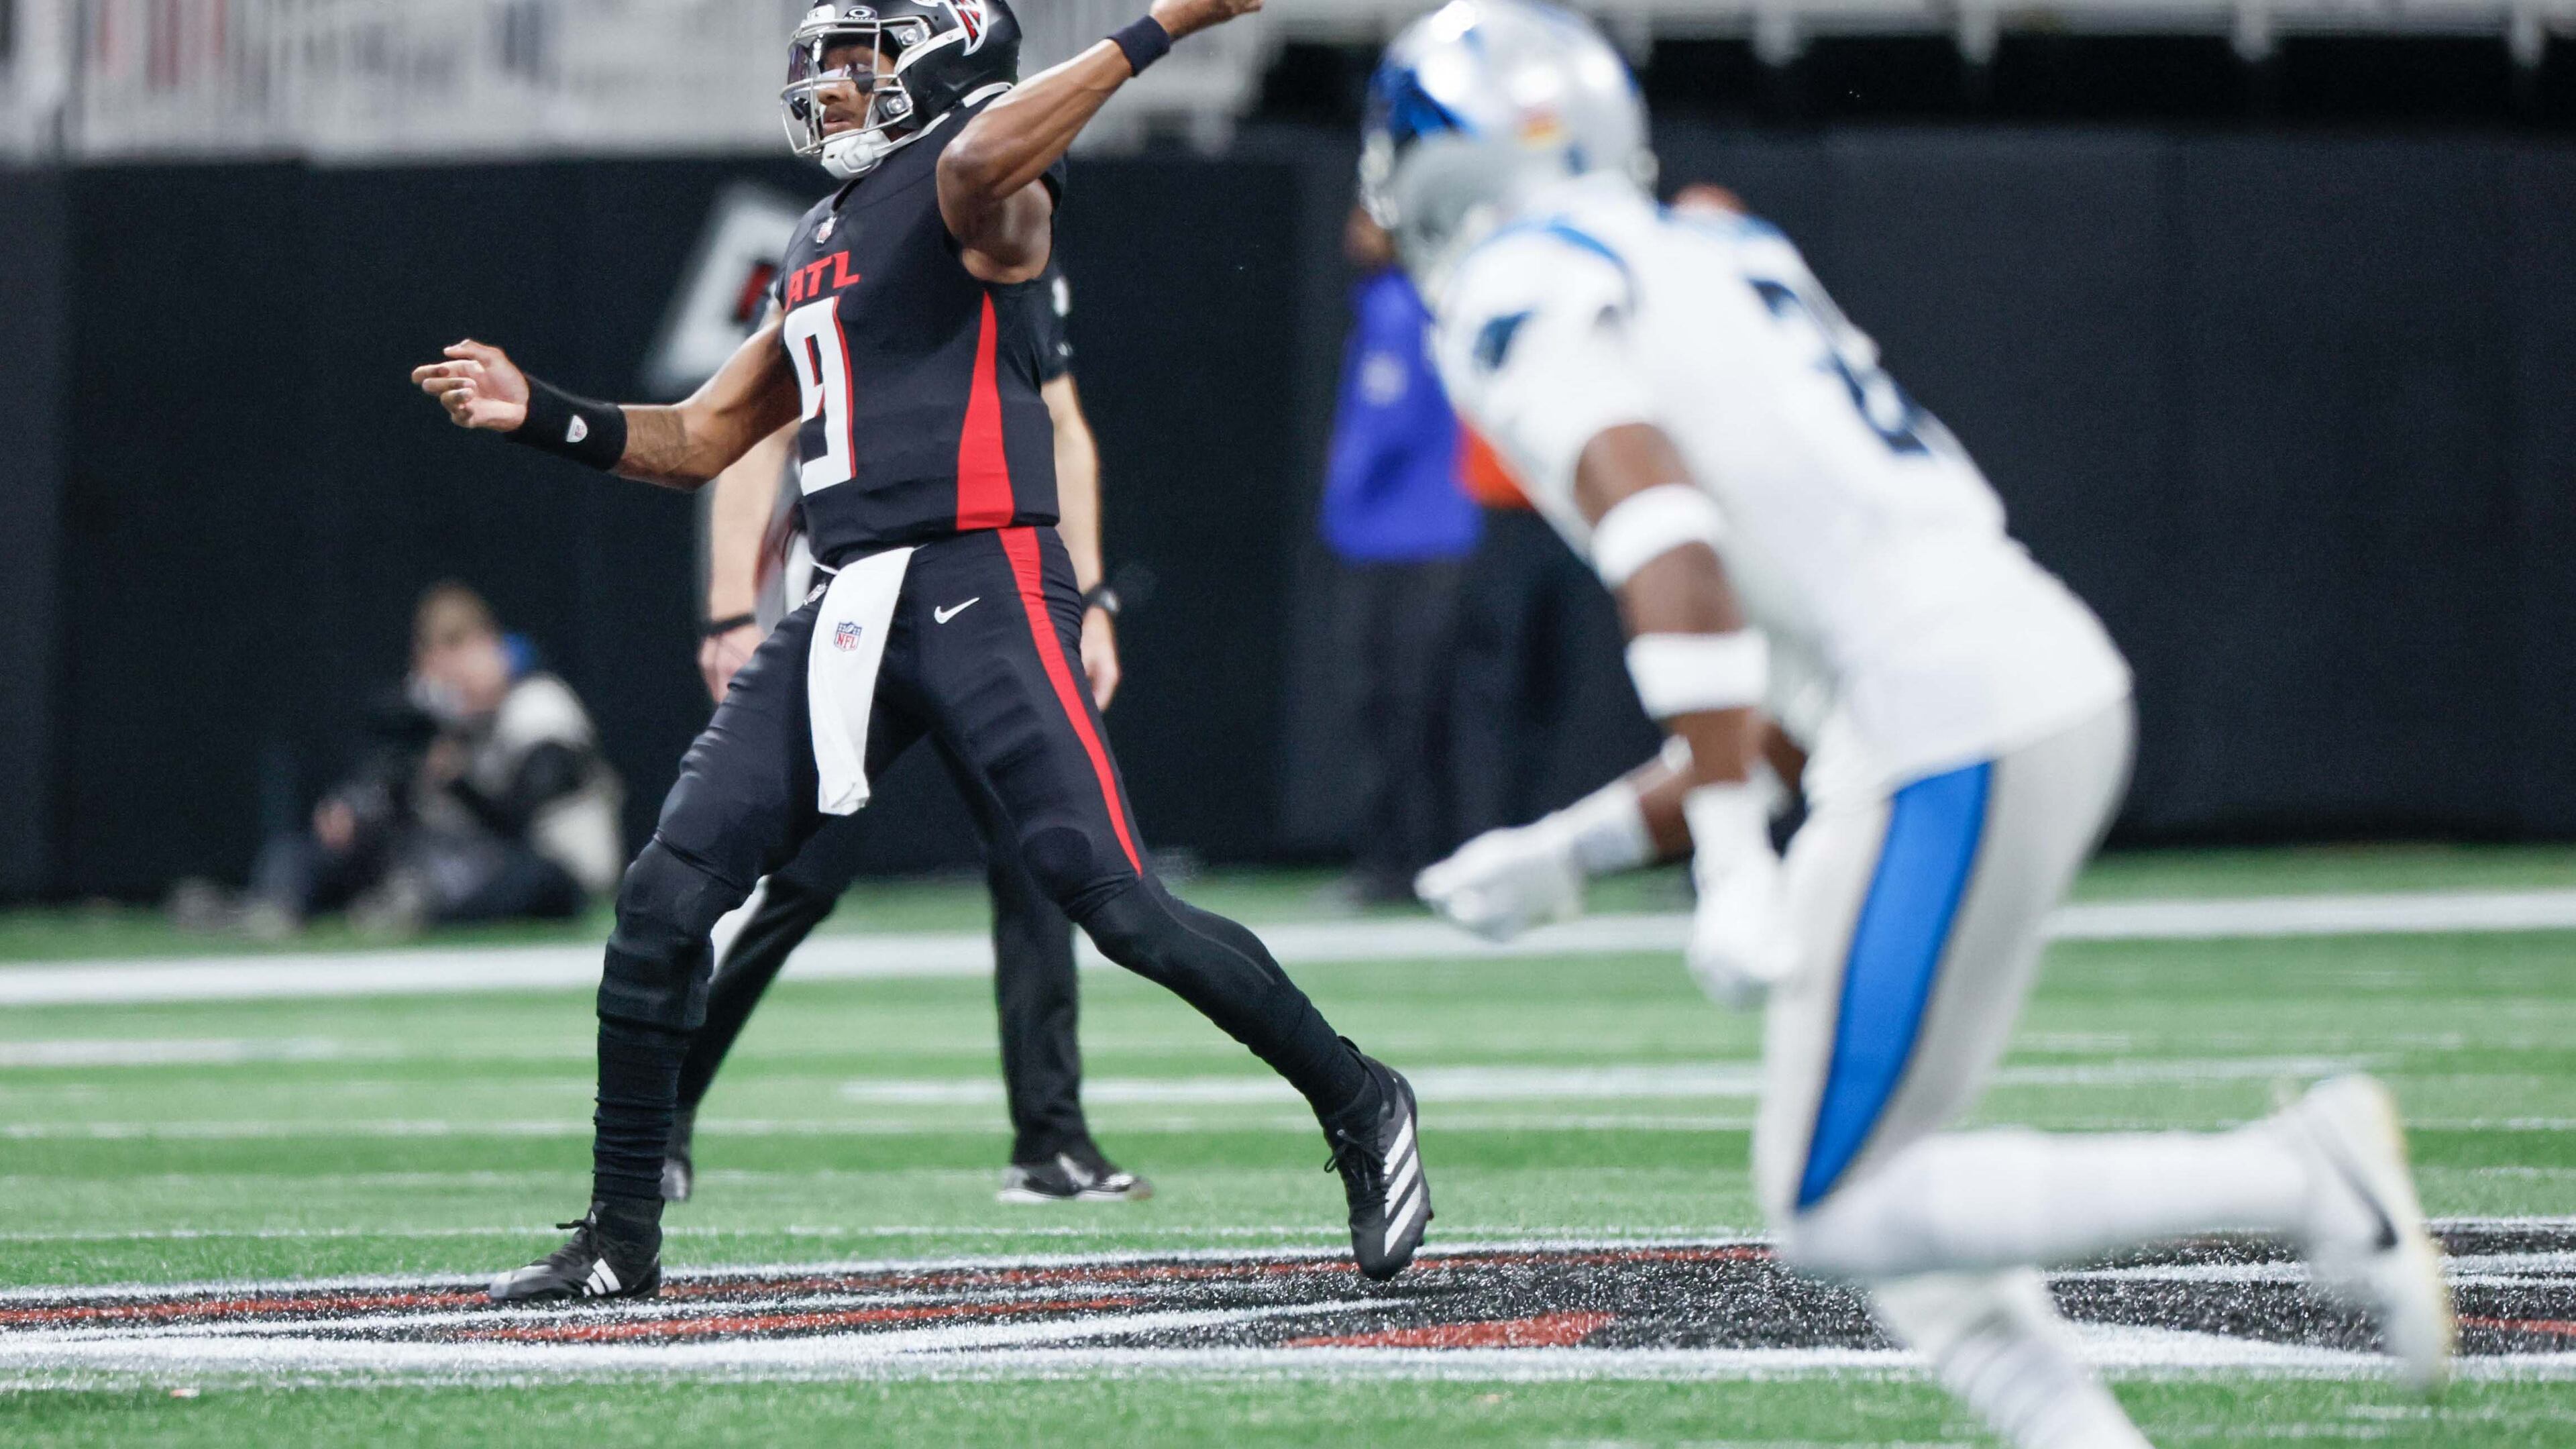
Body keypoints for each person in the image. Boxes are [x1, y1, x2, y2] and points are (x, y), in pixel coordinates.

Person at [1364, 5, 2452, 1445]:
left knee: (1839, 1204)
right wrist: (1577, 851)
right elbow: (1781, 696)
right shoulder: (1717, 249)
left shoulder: (1521, 285)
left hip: (1947, 717)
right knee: (1904, 1224)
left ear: (1443, 158)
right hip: (1986, 685)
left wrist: (1732, 861)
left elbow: (1665, 535)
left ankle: (2301, 1178)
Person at [413, 0, 1430, 1303]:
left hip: (981, 575)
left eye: (867, 62)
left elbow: (983, 161)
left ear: (945, 65)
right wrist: (541, 415)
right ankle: (620, 1236)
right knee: (666, 893)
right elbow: (703, 437)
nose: (838, 85)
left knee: (1117, 906)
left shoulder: (982, 184)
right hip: (850, 597)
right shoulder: (823, 231)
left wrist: (1164, 24)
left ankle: (1360, 1097)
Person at [672, 256, 1146, 1205]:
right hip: (856, 607)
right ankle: (661, 1112)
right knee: (798, 875)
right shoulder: (850, 248)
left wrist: (1092, 598)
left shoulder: (1011, 251)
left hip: (981, 607)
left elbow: (1061, 426)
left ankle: (1051, 1138)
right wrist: (729, 610)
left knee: (1041, 853)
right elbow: (756, 438)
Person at [223, 583, 623, 938]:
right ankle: (274, 905)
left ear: (493, 647)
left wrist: (457, 778)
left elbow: (522, 820)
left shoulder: (541, 706)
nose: (454, 669)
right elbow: (389, 790)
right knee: (309, 849)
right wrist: (354, 810)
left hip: (553, 870)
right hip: (456, 866)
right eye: (438, 652)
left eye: (462, 647)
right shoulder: (432, 714)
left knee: (531, 879)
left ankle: (419, 910)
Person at [1313, 205, 1481, 905]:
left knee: (1392, 709)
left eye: (1369, 220)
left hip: (1399, 541)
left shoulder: (1396, 307)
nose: (1353, 232)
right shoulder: (1431, 303)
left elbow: (1385, 423)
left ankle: (1395, 864)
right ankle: (1431, 858)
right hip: (1435, 535)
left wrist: (1339, 499)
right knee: (1421, 711)